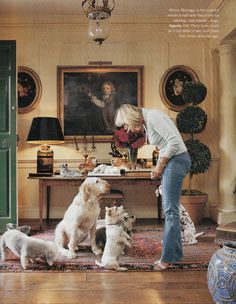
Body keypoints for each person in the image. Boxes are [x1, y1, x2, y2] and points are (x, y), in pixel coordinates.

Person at [114, 104, 191, 270]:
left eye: (125, 124)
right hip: (173, 161)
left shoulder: (154, 117)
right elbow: (166, 144)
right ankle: (174, 255)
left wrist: (160, 165)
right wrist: (159, 166)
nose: (126, 129)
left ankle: (168, 258)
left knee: (170, 210)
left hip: (177, 161)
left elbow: (174, 142)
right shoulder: (148, 120)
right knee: (170, 209)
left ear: (130, 117)